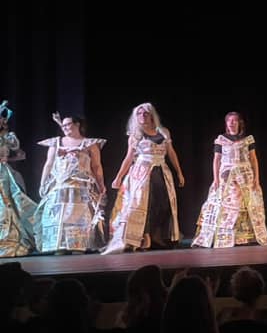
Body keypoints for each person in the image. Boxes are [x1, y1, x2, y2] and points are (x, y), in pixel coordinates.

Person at [104, 102, 185, 252]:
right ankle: (145, 236)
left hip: (161, 171)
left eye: (145, 113)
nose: (142, 116)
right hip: (141, 172)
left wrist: (179, 172)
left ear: (151, 115)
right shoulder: (135, 135)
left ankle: (158, 236)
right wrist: (118, 177)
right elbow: (128, 158)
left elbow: (171, 153)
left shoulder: (163, 132)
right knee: (143, 203)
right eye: (139, 114)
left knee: (163, 203)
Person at [193, 112, 267, 248]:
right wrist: (216, 179)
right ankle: (221, 236)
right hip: (226, 176)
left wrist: (256, 178)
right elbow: (216, 160)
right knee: (224, 205)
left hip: (245, 174)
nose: (232, 123)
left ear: (239, 123)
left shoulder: (247, 139)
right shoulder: (221, 139)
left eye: (235, 120)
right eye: (229, 120)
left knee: (248, 204)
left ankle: (244, 238)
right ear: (226, 123)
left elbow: (253, 159)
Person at [35, 113, 107, 252]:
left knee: (79, 214)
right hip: (61, 185)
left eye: (68, 124)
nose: (65, 127)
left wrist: (101, 185)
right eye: (63, 125)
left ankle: (79, 245)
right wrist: (42, 183)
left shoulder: (90, 143)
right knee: (58, 213)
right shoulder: (56, 142)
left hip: (81, 185)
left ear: (77, 124)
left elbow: (97, 166)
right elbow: (48, 164)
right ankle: (59, 245)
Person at [0, 100, 37, 258]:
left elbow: (16, 152)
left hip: (4, 173)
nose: (2, 121)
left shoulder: (8, 137)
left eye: (3, 118)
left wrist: (14, 158)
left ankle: (13, 240)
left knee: (13, 203)